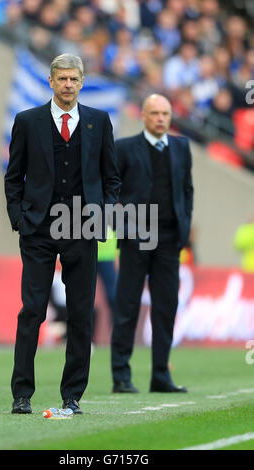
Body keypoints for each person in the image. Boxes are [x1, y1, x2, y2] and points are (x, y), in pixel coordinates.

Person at [4, 53, 121, 415]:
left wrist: (101, 215)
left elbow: (112, 178)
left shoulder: (99, 122)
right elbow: (13, 177)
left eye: (74, 79)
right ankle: (21, 394)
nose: (68, 84)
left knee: (81, 313)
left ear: (81, 82)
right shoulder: (27, 121)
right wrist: (20, 219)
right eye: (62, 79)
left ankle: (72, 396)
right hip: (38, 229)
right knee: (32, 311)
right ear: (51, 82)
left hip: (81, 228)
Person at [111, 94, 194, 393]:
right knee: (127, 305)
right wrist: (124, 229)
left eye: (166, 113)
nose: (161, 118)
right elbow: (110, 193)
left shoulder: (182, 147)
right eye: (155, 113)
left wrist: (184, 229)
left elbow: (187, 190)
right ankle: (121, 376)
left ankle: (161, 375)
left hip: (170, 240)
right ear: (144, 116)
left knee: (166, 307)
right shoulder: (124, 148)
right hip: (136, 238)